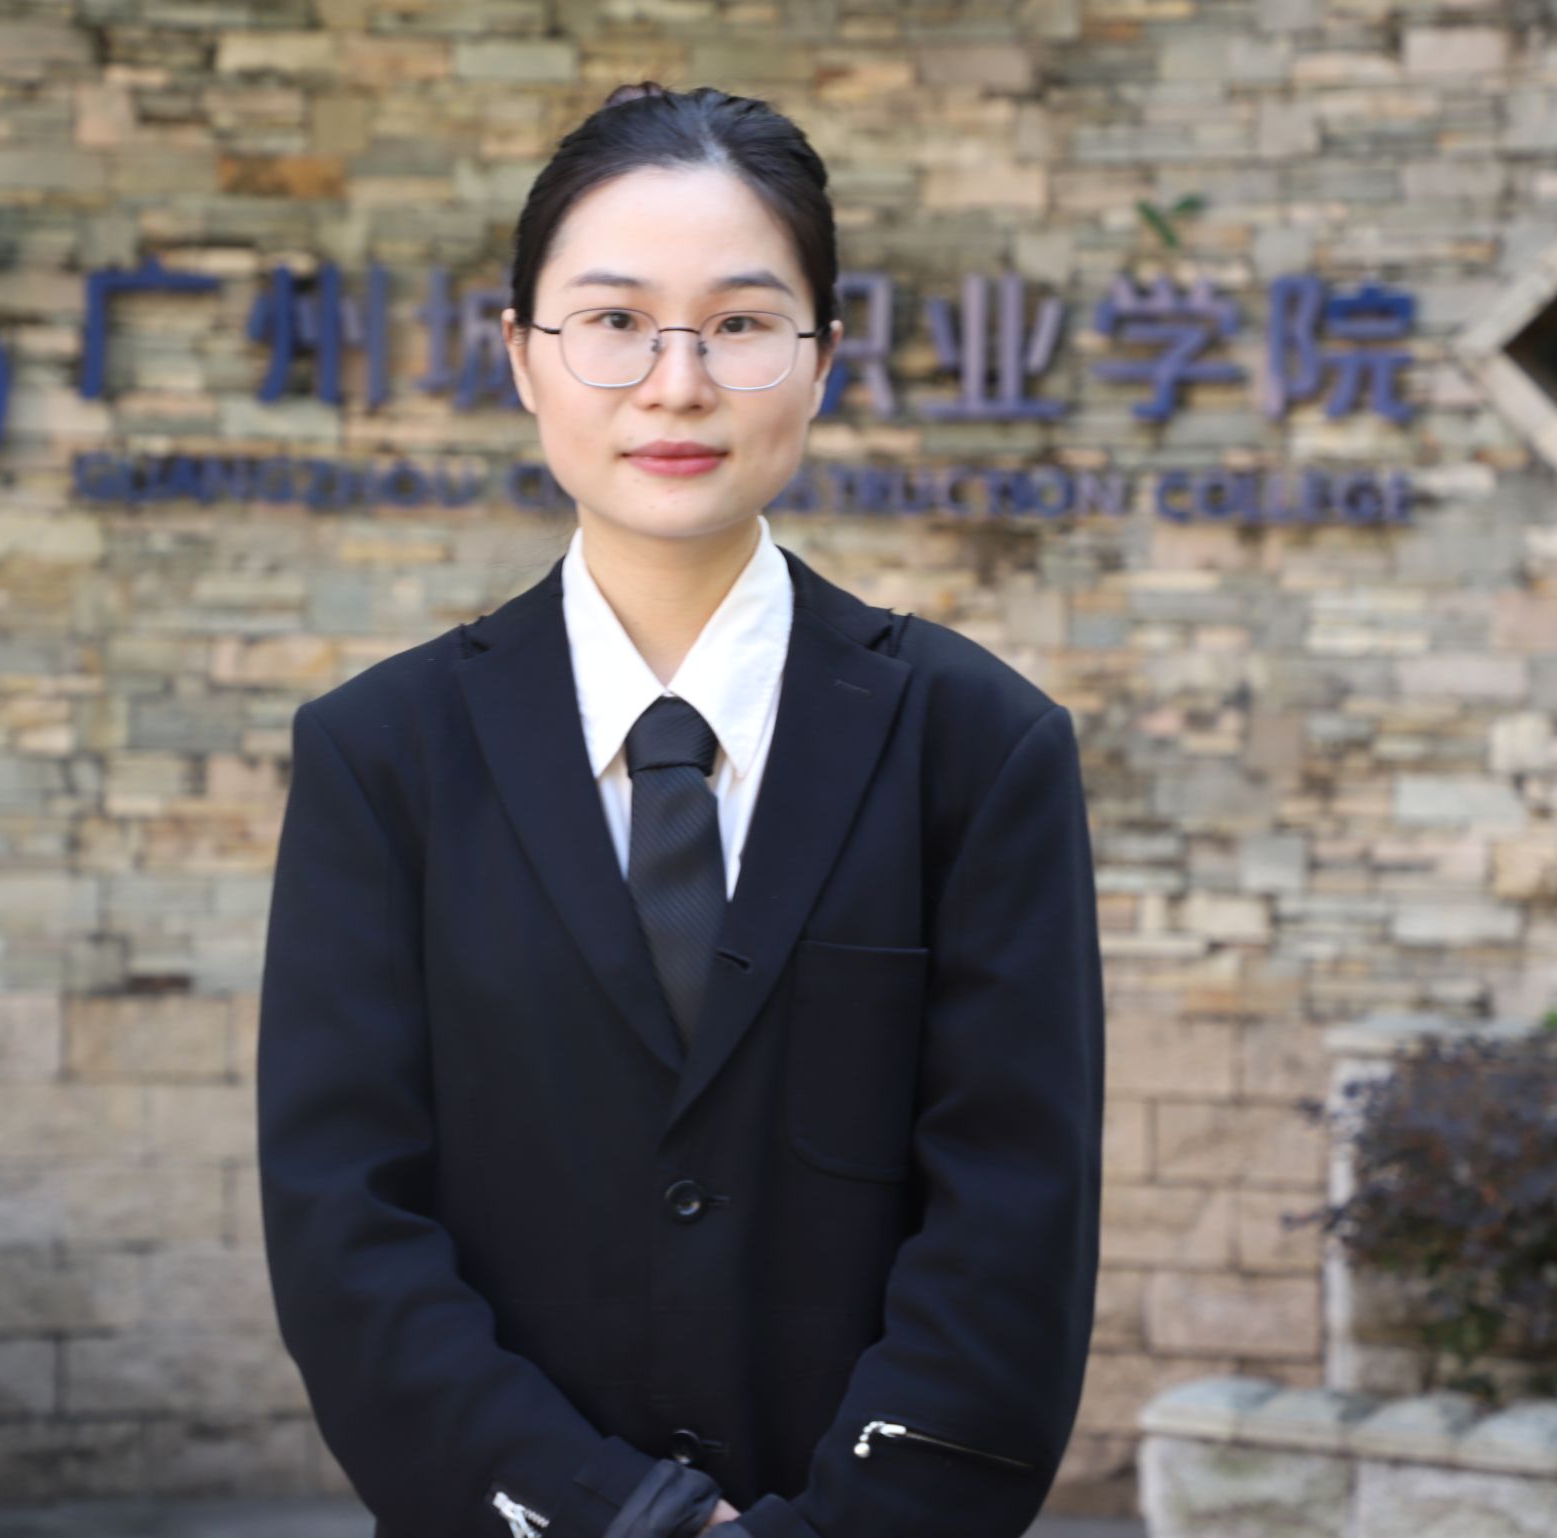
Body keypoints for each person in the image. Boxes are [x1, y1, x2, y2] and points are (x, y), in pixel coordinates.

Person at [256, 81, 1105, 1538]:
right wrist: (612, 1516)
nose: (677, 382)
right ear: (522, 356)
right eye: (615, 320)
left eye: (740, 323)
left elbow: (1012, 1223)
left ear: (822, 359)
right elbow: (348, 1225)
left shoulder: (977, 748)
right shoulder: (383, 757)